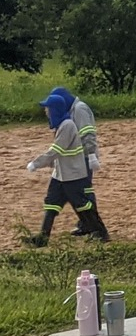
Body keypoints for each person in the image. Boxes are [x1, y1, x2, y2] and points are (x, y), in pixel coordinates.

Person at [24, 92, 108, 246]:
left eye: (48, 108)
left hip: (73, 175)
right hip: (61, 174)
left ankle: (101, 233)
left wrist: (36, 163)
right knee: (51, 204)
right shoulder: (61, 125)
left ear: (55, 109)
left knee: (83, 205)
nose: (46, 111)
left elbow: (56, 151)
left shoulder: (67, 126)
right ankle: (42, 238)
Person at [44, 86, 101, 237]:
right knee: (77, 194)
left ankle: (96, 228)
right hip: (75, 159)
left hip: (84, 158)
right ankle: (88, 225)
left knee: (83, 194)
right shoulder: (70, 112)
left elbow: (87, 133)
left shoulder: (79, 109)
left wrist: (91, 155)